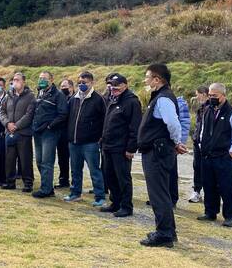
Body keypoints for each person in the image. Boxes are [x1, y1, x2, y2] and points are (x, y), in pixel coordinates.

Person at [138, 63, 186, 248]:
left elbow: (173, 123)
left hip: (157, 151)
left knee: (158, 194)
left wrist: (176, 142)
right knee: (161, 193)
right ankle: (168, 231)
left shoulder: (163, 98)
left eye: (148, 77)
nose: (146, 80)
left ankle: (164, 234)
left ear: (157, 79)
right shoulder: (159, 96)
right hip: (156, 150)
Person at [196, 82, 232, 228]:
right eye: (210, 95)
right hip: (207, 154)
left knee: (227, 187)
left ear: (223, 95)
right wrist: (200, 144)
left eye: (214, 96)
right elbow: (203, 129)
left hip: (224, 155)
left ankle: (230, 216)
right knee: (208, 184)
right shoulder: (207, 110)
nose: (211, 98)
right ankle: (210, 212)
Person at [99, 74, 141, 217]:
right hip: (108, 145)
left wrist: (131, 148)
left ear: (125, 85)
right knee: (109, 175)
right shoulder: (112, 99)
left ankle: (126, 206)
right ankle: (115, 202)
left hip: (121, 148)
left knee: (122, 177)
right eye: (112, 85)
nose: (114, 88)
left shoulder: (132, 102)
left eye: (117, 86)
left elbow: (135, 127)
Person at [64, 71, 106, 206]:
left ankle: (100, 196)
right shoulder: (73, 99)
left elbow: (105, 120)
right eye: (80, 83)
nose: (82, 85)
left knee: (94, 170)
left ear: (92, 83)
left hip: (91, 142)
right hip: (74, 141)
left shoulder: (98, 99)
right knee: (75, 169)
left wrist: (100, 137)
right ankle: (75, 193)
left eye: (85, 83)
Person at [31, 71, 69, 199]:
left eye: (44, 78)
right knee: (39, 161)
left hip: (50, 133)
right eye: (40, 78)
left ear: (51, 80)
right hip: (37, 132)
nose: (41, 80)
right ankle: (48, 186)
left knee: (47, 161)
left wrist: (50, 126)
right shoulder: (40, 93)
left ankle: (45, 189)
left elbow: (63, 114)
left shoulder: (58, 95)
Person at [0, 72, 35, 192]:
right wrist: (7, 123)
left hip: (23, 133)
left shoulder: (30, 96)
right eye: (14, 80)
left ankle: (28, 183)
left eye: (18, 80)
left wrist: (17, 125)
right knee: (9, 159)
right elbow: (2, 111)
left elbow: (29, 114)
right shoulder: (8, 95)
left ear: (23, 82)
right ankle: (10, 182)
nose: (15, 82)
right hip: (9, 132)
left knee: (25, 159)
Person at [188, 85, 210, 203]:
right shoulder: (200, 108)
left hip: (208, 144)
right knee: (197, 167)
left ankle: (211, 194)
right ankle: (197, 191)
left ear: (204, 94)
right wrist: (195, 138)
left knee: (208, 169)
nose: (196, 97)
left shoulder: (212, 108)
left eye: (198, 94)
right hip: (198, 143)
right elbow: (198, 125)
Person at [55, 78, 74, 189]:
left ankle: (75, 182)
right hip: (61, 133)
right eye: (61, 86)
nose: (63, 88)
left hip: (72, 133)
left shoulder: (75, 99)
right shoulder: (60, 99)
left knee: (75, 160)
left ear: (71, 87)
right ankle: (63, 180)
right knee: (62, 158)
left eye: (65, 86)